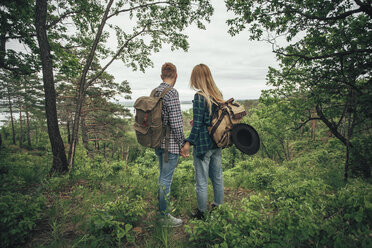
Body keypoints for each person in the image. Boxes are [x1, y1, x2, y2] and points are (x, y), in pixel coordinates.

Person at [181, 64, 225, 219]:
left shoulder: (200, 96)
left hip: (203, 146)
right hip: (217, 143)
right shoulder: (217, 94)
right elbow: (213, 118)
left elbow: (198, 126)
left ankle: (201, 213)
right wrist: (200, 120)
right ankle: (218, 205)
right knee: (217, 176)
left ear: (196, 78)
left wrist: (188, 142)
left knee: (201, 181)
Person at [154, 62, 185, 227]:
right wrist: (183, 144)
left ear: (161, 76)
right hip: (170, 145)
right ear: (176, 76)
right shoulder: (172, 93)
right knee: (166, 180)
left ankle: (161, 211)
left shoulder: (155, 91)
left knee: (161, 177)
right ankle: (164, 217)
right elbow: (177, 124)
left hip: (157, 143)